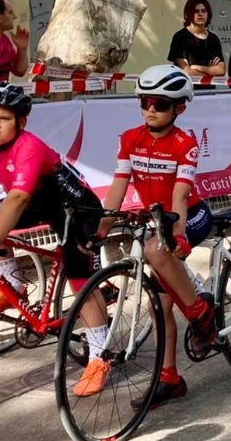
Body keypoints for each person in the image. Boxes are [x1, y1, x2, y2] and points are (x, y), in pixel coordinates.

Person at [0, 84, 109, 394]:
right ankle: (13, 283)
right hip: (40, 204)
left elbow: (16, 199)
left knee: (81, 282)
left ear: (21, 123)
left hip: (76, 210)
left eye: (3, 119)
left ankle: (99, 356)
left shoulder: (27, 147)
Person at [91, 65, 216, 405]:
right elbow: (117, 188)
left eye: (160, 103)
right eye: (145, 101)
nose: (150, 109)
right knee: (158, 307)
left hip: (190, 216)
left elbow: (180, 196)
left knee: (153, 250)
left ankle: (202, 314)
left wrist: (178, 234)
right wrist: (101, 230)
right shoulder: (131, 139)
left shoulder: (184, 143)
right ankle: (169, 378)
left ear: (179, 108)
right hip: (158, 224)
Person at [167, 0, 226, 80]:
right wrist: (210, 72)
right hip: (187, 89)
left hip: (210, 90)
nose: (200, 14)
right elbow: (186, 71)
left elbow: (221, 70)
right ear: (189, 13)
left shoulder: (213, 39)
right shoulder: (180, 37)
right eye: (196, 11)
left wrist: (196, 67)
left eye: (203, 11)